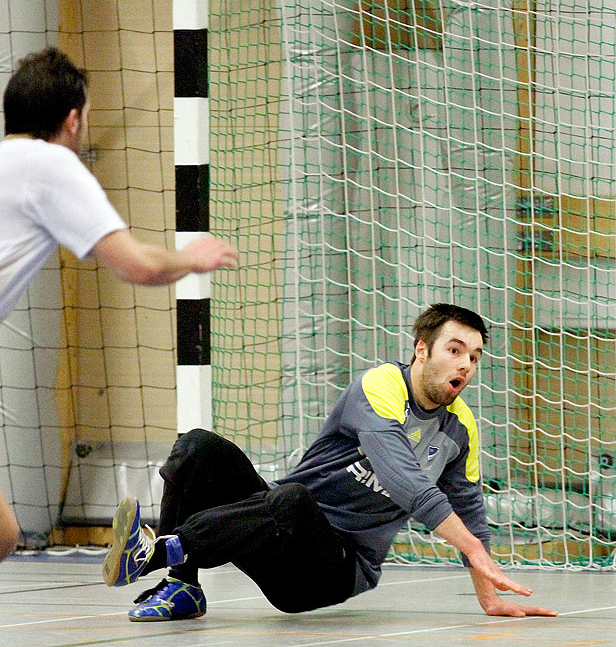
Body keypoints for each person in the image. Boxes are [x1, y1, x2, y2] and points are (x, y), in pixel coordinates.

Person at [101, 303, 557, 622]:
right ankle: (182, 585)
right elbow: (402, 475)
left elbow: (468, 511)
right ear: (423, 350)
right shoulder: (380, 386)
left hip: (333, 568)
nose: (466, 365)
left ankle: (154, 553)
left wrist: (488, 596)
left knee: (292, 501)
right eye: (455, 350)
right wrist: (476, 552)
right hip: (277, 526)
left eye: (474, 357)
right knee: (199, 447)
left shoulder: (461, 429)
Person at [0, 47, 239, 561]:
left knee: (1, 534)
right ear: (72, 119)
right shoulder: (52, 166)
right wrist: (190, 258)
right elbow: (137, 266)